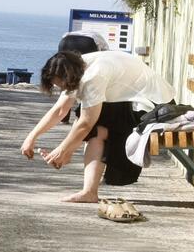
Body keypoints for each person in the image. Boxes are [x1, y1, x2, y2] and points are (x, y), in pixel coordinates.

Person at [20, 50, 175, 203]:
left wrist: (63, 150)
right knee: (94, 125)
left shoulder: (94, 75)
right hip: (134, 101)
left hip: (155, 108)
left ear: (68, 77)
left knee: (94, 127)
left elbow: (86, 123)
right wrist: (31, 137)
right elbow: (60, 109)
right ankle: (89, 192)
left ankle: (89, 191)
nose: (62, 89)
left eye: (61, 85)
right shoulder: (80, 65)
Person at [57, 30, 109, 124]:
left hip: (65, 42)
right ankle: (82, 112)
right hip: (87, 44)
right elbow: (104, 55)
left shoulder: (68, 34)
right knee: (87, 79)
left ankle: (64, 116)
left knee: (67, 77)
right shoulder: (98, 38)